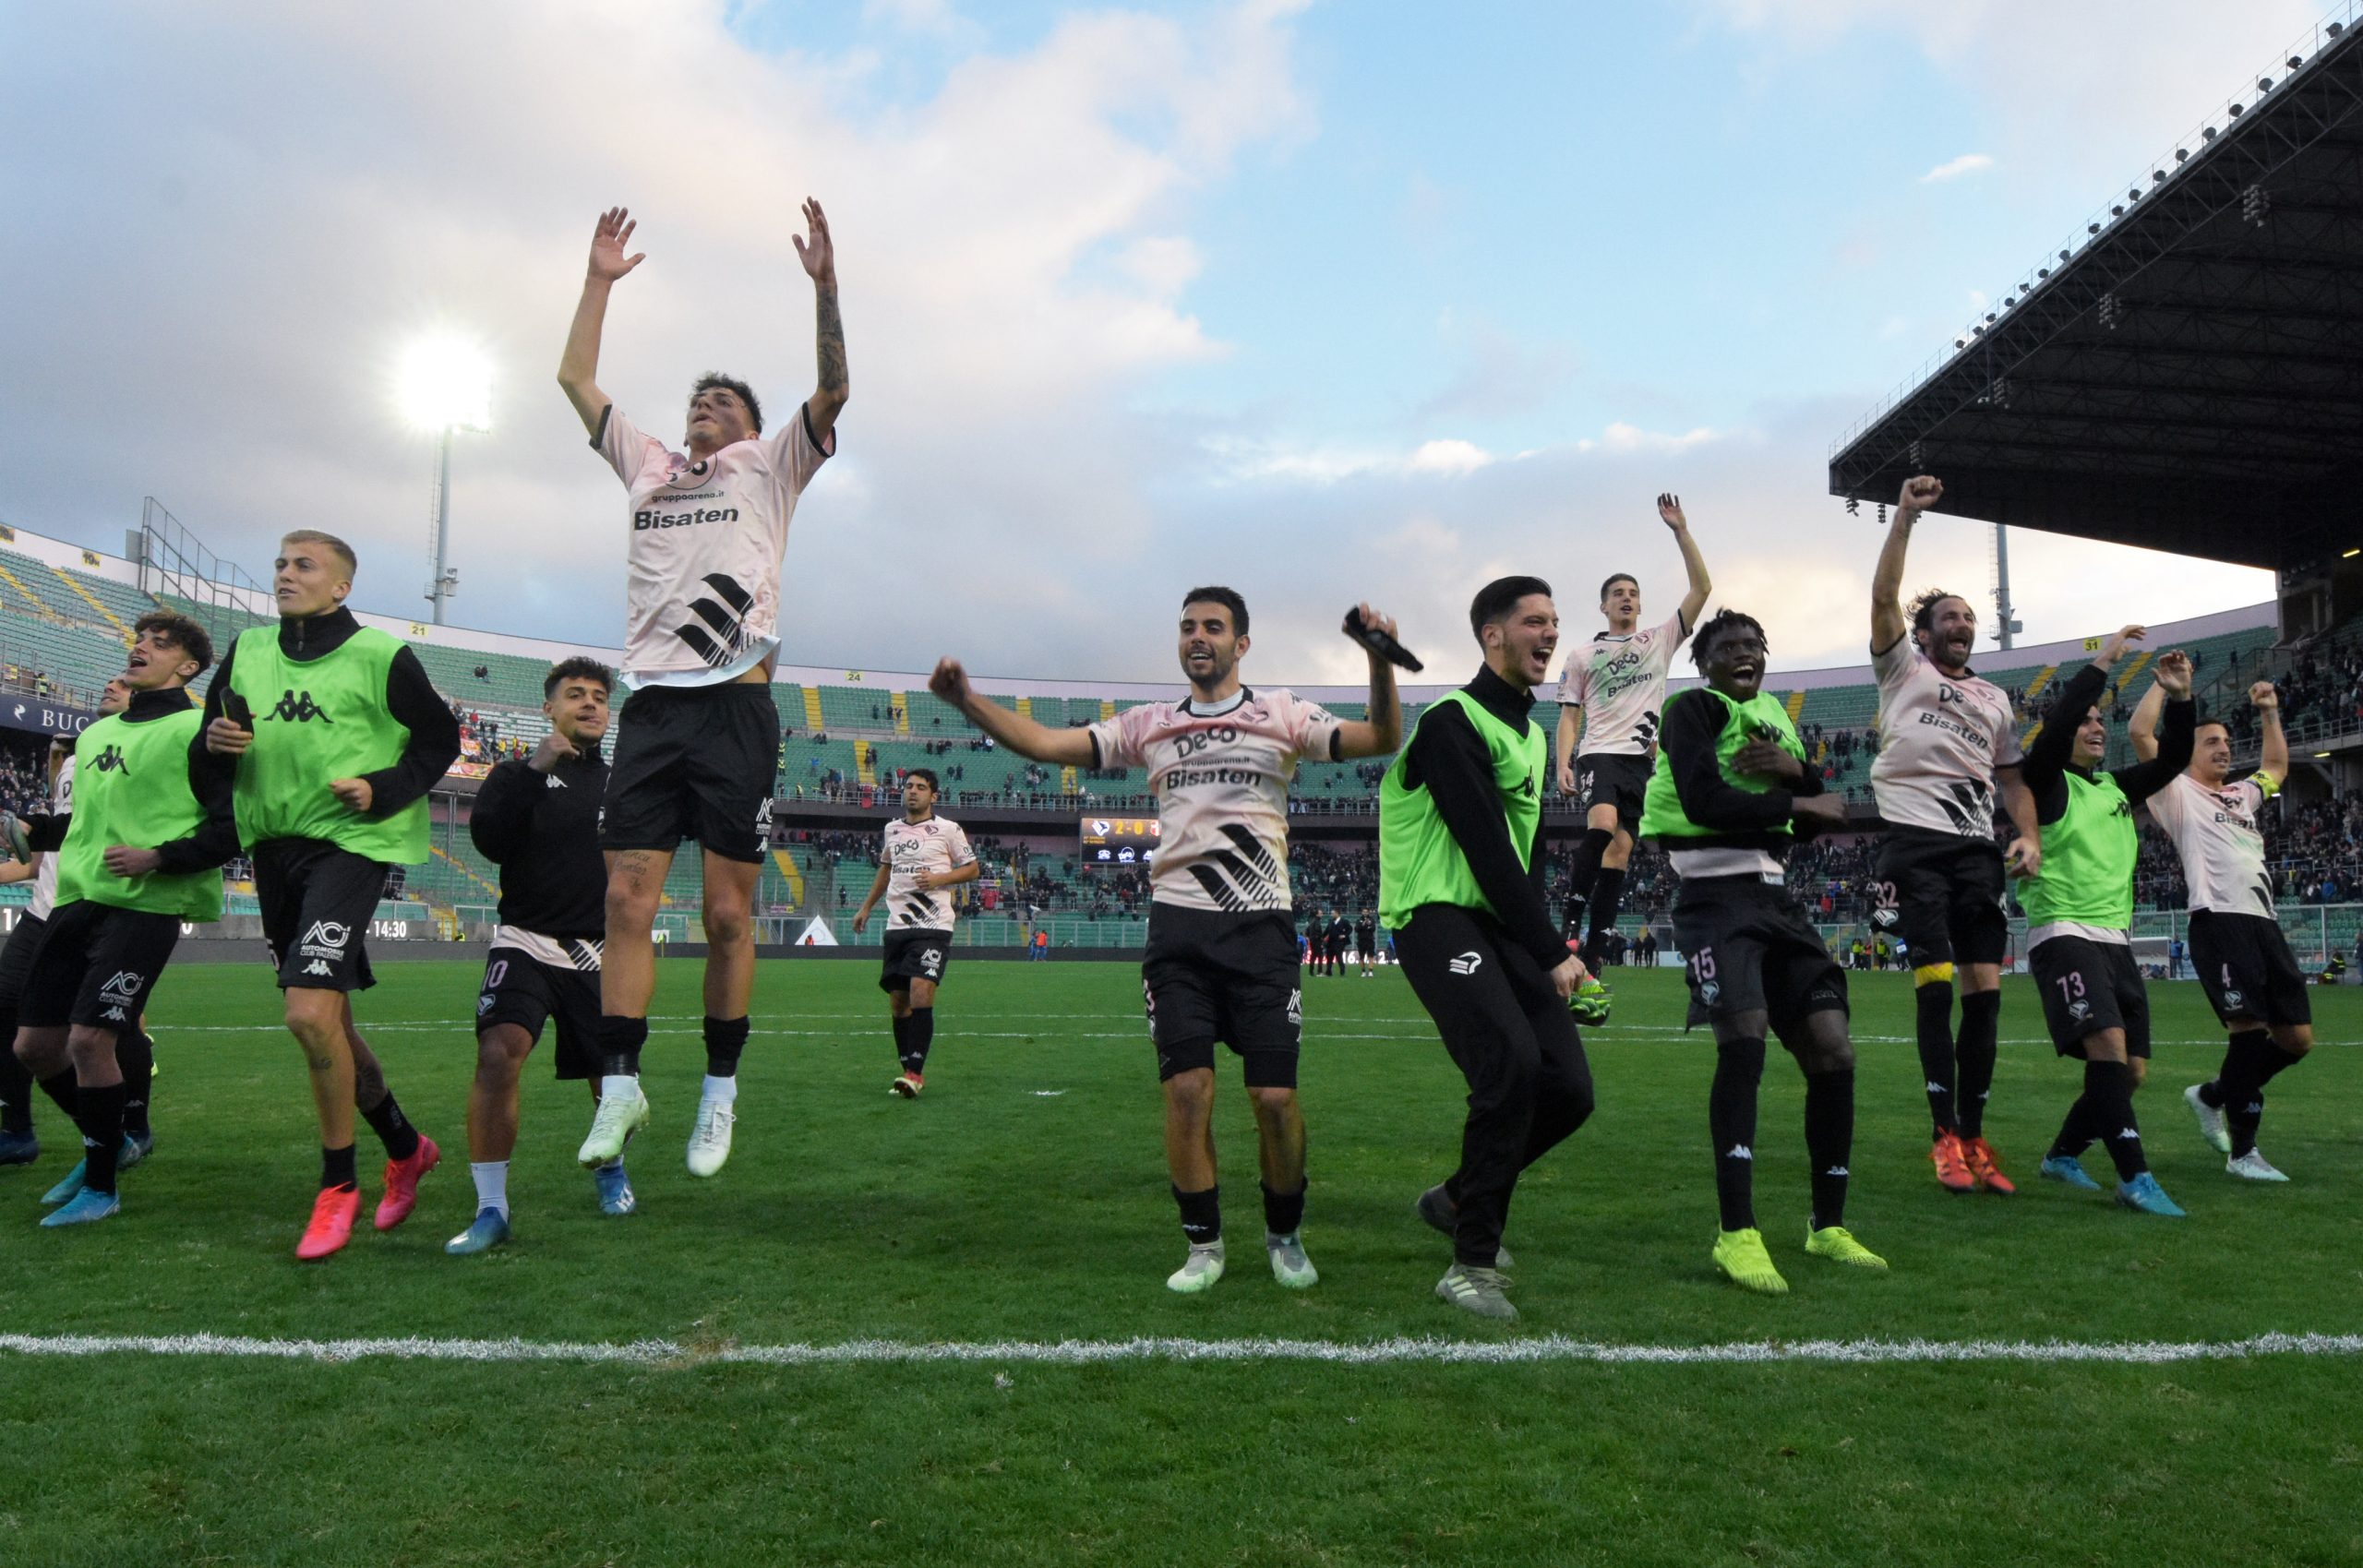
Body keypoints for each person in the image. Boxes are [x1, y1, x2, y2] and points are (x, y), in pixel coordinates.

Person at [931, 589, 1403, 1294]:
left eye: (1213, 626)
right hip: (1179, 931)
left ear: (1242, 643)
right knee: (1187, 1091)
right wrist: (967, 700)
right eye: (1187, 627)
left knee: (1275, 1098)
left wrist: (1378, 660)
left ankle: (1284, 1232)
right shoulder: (1150, 723)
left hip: (1261, 931)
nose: (1197, 636)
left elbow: (1382, 737)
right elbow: (1046, 744)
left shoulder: (1282, 713)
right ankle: (1203, 1243)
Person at [557, 200, 848, 1182]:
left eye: (723, 402)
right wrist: (598, 280)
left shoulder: (771, 465)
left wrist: (825, 286)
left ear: (754, 429)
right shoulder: (646, 465)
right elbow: (575, 380)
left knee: (727, 915)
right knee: (625, 898)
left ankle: (719, 1093)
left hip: (736, 707)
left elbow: (835, 388)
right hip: (654, 707)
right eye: (698, 401)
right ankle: (622, 1084)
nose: (704, 409)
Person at [200, 532, 461, 1260]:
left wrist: (383, 787)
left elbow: (439, 739)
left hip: (352, 843)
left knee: (308, 1013)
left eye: (303, 565)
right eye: (280, 563)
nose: (285, 573)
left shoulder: (380, 655)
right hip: (273, 848)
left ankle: (338, 1184)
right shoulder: (247, 650)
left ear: (341, 586)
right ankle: (406, 1146)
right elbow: (208, 753)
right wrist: (213, 744)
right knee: (331, 1024)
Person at [1637, 608, 1885, 1292]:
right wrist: (1799, 801)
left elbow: (1818, 812)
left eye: (1754, 644)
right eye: (1728, 646)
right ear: (1704, 663)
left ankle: (1827, 1226)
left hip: (1776, 897)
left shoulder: (1774, 716)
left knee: (1833, 1049)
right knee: (1743, 1042)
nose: (1744, 653)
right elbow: (1703, 799)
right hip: (1713, 898)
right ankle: (1737, 1233)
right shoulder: (1693, 710)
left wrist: (1796, 771)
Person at [1384, 577, 1596, 1323]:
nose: (1550, 633)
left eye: (1555, 621)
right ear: (1492, 635)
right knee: (1510, 1062)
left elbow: (1525, 859)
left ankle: (1455, 1200)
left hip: (1501, 925)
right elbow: (1482, 842)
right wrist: (1552, 948)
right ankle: (1470, 1265)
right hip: (1435, 915)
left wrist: (1544, 948)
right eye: (1534, 621)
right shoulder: (1450, 720)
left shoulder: (1533, 737)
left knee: (1569, 1089)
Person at [11, 628, 229, 1228]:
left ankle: (101, 1185)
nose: (140, 647)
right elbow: (83, 825)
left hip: (149, 904)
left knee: (89, 1040)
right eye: (139, 638)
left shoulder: (198, 731)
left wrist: (157, 856)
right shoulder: (95, 735)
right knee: (33, 1047)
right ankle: (108, 1143)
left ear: (187, 666)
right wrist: (36, 831)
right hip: (77, 899)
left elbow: (232, 828)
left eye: (159, 643)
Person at [1866, 475, 2039, 1195]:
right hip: (1915, 843)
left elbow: (2014, 779)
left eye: (1969, 616)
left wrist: (2027, 835)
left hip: (1976, 851)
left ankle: (1973, 1134)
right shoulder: (1901, 668)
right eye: (1950, 616)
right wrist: (1905, 516)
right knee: (1935, 990)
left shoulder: (1995, 698)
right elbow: (1883, 597)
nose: (1963, 623)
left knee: (1986, 996)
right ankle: (1942, 1135)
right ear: (1926, 631)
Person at [2015, 631, 2195, 1215]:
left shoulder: (2115, 787)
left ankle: (2061, 1156)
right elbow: (2057, 724)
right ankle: (2135, 1178)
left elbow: (2173, 760)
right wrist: (2104, 660)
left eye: (2101, 721)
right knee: (2109, 1049)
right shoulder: (2047, 783)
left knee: (2131, 1071)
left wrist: (2180, 698)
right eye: (2087, 721)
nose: (2098, 727)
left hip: (2115, 942)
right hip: (2064, 932)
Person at [446, 659, 621, 1256]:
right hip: (524, 938)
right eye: (575, 694)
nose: (590, 703)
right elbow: (490, 840)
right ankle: (491, 1207)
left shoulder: (621, 785)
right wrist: (535, 769)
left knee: (608, 1079)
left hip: (596, 951)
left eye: (599, 696)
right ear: (549, 708)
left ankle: (611, 1169)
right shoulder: (514, 774)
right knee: (498, 1052)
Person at [2131, 676, 2310, 1181]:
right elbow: (2141, 733)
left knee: (2297, 1039)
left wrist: (2270, 711)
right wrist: (2163, 686)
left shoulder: (2240, 796)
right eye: (2211, 741)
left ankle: (2212, 1094)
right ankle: (2243, 1154)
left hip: (2264, 922)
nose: (2224, 749)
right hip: (2219, 922)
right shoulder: (2175, 790)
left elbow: (2276, 767)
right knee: (2249, 1034)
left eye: (2227, 742)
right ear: (2187, 751)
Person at [1554, 494, 1712, 1024]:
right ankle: (1568, 925)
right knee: (1601, 828)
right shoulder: (1583, 655)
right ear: (1603, 606)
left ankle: (1593, 957)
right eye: (1618, 593)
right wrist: (1563, 761)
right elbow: (1569, 716)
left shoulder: (1659, 640)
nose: (1627, 599)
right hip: (1600, 752)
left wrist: (1681, 531)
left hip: (1641, 763)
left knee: (1620, 854)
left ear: (1640, 606)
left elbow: (1702, 589)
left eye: (1633, 593)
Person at [0, 681, 138, 1168]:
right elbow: (42, 859)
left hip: (99, 907)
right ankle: (17, 1130)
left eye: (125, 683)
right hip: (45, 911)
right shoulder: (75, 758)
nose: (113, 684)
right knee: (10, 1014)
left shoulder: (136, 752)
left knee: (107, 1029)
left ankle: (128, 1131)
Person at [851, 770, 978, 1098]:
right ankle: (908, 1069)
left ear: (933, 796)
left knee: (921, 990)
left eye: (921, 787)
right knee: (898, 1004)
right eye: (909, 786)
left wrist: (939, 879)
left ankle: (914, 1073)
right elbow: (886, 869)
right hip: (898, 927)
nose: (913, 791)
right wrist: (866, 907)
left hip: (933, 926)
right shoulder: (891, 829)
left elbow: (972, 868)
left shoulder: (948, 829)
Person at [1355, 909, 1377, 977]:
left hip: (1370, 940)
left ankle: (1370, 971)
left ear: (1368, 912)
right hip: (1361, 941)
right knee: (1361, 957)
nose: (1365, 913)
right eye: (1364, 912)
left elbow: (1373, 928)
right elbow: (1356, 929)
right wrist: (1363, 924)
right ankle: (1363, 971)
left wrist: (1369, 924)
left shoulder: (1372, 920)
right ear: (1362, 912)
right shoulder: (1359, 920)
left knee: (1370, 956)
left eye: (1366, 912)